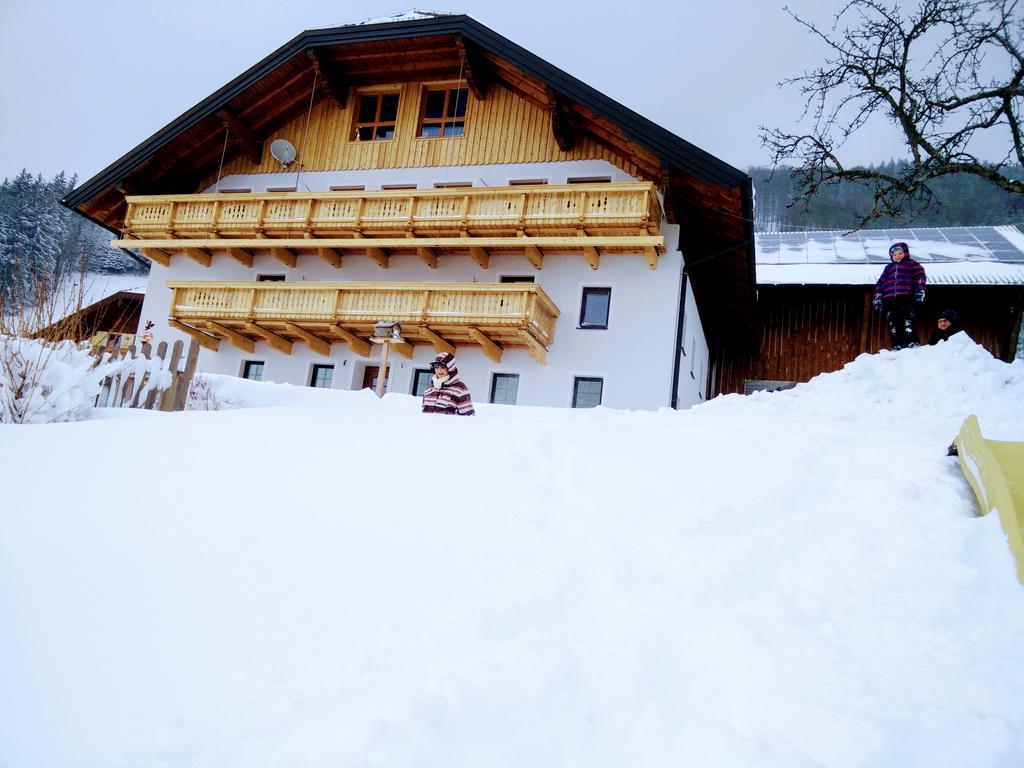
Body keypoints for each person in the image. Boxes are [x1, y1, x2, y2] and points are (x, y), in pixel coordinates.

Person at [873, 241, 927, 350]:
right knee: (893, 322)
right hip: (889, 299)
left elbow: (920, 276)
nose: (897, 256)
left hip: (906, 296)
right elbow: (880, 283)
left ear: (906, 253)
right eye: (894, 255)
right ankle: (897, 344)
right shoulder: (888, 268)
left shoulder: (911, 264)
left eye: (900, 253)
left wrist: (920, 290)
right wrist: (878, 297)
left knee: (908, 319)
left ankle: (912, 342)